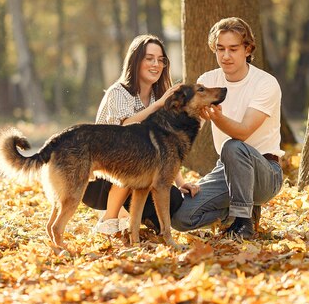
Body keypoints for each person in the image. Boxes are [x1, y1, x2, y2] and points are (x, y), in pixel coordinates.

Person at [171, 17, 284, 239]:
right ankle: (237, 213)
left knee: (233, 146)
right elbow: (182, 132)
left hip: (266, 172)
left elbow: (242, 132)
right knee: (181, 219)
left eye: (233, 49)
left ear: (247, 49)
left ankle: (243, 223)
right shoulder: (208, 80)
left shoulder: (265, 83)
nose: (226, 56)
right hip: (226, 171)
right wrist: (180, 180)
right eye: (220, 49)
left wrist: (217, 118)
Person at [82, 34, 199, 235]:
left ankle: (131, 220)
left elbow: (166, 148)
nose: (156, 64)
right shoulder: (119, 92)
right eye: (149, 58)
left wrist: (180, 183)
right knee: (135, 158)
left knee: (172, 198)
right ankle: (108, 221)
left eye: (160, 59)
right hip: (100, 173)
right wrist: (158, 105)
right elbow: (124, 130)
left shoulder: (157, 95)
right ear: (136, 61)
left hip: (136, 170)